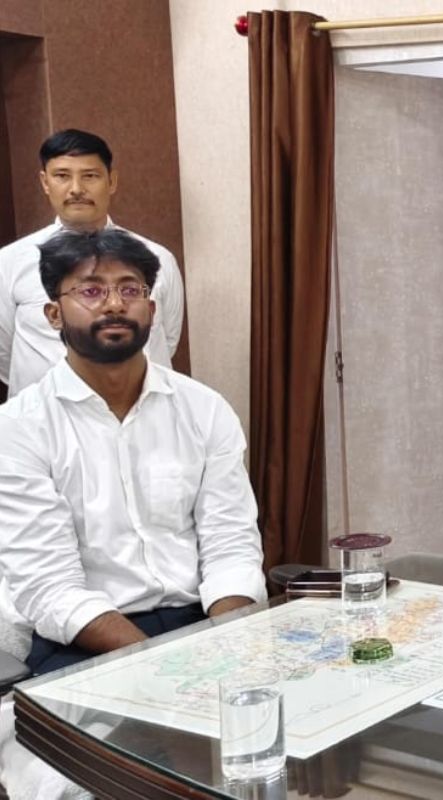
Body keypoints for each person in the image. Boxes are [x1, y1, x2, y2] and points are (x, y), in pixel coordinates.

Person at [0, 228, 264, 799]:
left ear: (152, 307)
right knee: (87, 783)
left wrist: (223, 648)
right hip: (86, 644)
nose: (114, 303)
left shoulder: (204, 409)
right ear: (53, 313)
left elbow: (231, 546)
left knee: (274, 753)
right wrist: (164, 670)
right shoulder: (19, 428)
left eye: (131, 288)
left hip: (205, 629)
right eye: (91, 290)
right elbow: (49, 587)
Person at [0, 129, 183, 398]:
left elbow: (167, 341)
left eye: (90, 176)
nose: (76, 189)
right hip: (44, 416)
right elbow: (4, 352)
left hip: (141, 410)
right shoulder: (10, 262)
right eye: (62, 176)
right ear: (45, 182)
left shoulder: (156, 258)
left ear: (112, 181)